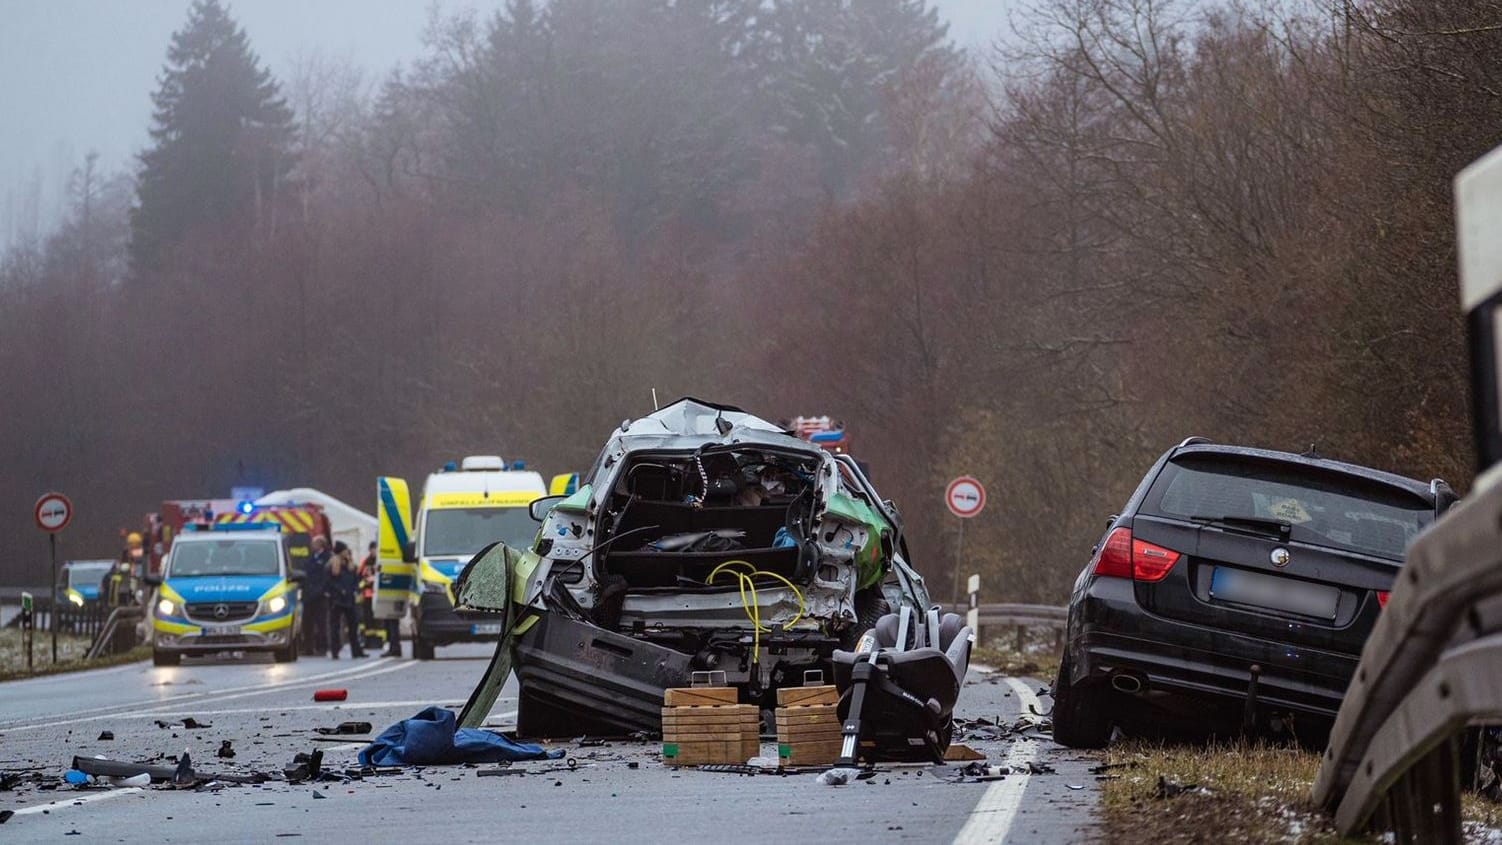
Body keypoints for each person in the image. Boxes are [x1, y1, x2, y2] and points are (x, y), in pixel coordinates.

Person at [326, 541, 367, 658]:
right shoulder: (332, 565)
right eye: (344, 550)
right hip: (337, 600)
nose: (347, 552)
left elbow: (355, 579)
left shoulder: (350, 565)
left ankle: (356, 651)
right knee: (335, 626)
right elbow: (329, 582)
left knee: (353, 626)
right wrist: (340, 591)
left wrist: (355, 590)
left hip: (349, 599)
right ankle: (335, 651)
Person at [302, 536, 331, 656]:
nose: (312, 545)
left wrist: (320, 591)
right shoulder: (312, 557)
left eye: (314, 543)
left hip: (320, 596)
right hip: (308, 596)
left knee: (321, 623)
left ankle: (322, 647)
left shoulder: (327, 557)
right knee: (307, 623)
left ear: (321, 545)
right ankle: (308, 647)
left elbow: (326, 577)